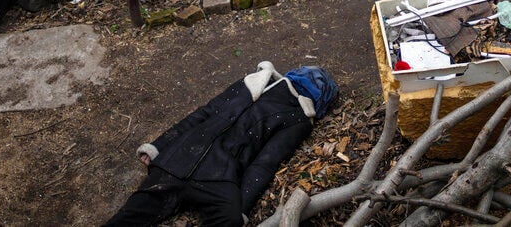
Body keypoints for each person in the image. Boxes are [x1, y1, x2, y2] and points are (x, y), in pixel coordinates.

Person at [105, 62, 338, 227]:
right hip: (216, 177)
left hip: (177, 162)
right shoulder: (297, 116)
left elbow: (202, 114)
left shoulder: (252, 84)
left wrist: (159, 147)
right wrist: (242, 209)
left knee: (129, 216)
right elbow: (265, 164)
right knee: (228, 219)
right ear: (320, 102)